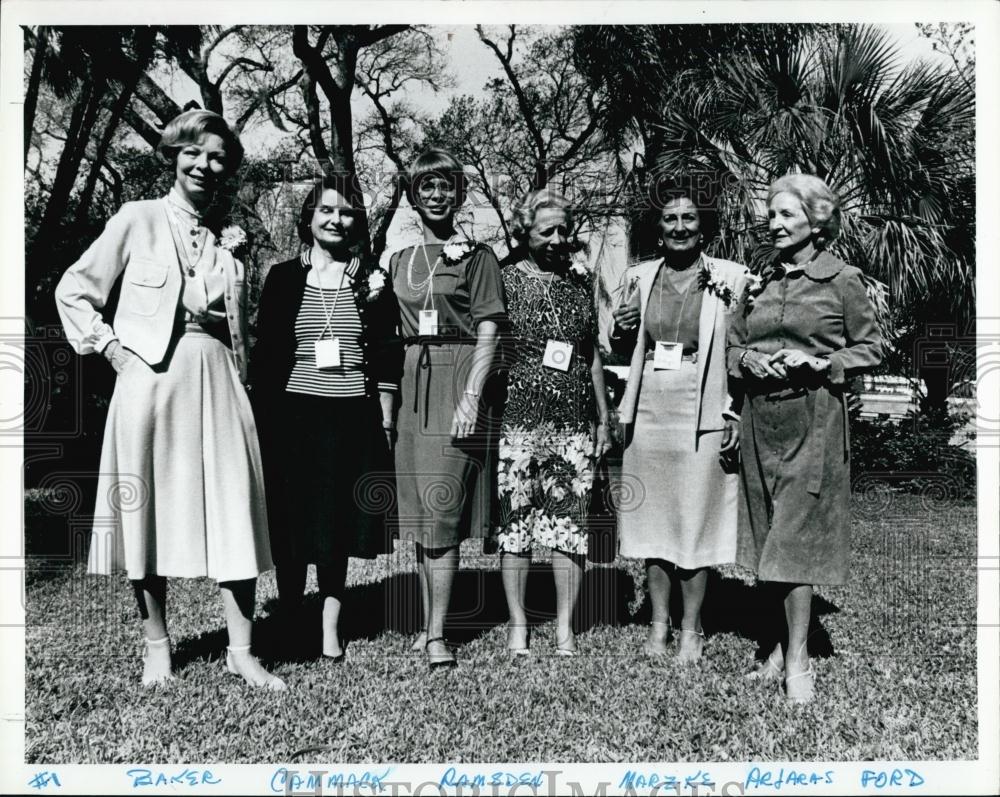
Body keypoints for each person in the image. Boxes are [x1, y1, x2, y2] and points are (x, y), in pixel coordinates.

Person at [54, 109, 283, 689]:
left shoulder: (229, 240)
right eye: (195, 153)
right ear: (174, 155)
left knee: (235, 506)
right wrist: (111, 349)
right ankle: (158, 646)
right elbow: (74, 291)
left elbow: (239, 328)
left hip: (219, 378)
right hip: (149, 382)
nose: (206, 165)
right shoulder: (137, 219)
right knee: (146, 511)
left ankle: (242, 650)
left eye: (218, 158)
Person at [726, 173, 883, 703]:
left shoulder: (843, 280)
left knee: (793, 539)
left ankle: (797, 660)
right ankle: (775, 648)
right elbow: (730, 348)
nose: (774, 224)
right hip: (757, 421)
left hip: (814, 421)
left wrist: (821, 362)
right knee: (771, 537)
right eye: (771, 215)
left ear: (816, 222)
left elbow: (871, 348)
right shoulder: (759, 284)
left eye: (786, 215)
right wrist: (748, 360)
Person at [249, 174, 401, 663]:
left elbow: (384, 352)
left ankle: (330, 629)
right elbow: (268, 352)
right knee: (292, 527)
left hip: (349, 416)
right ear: (309, 219)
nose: (337, 220)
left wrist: (385, 417)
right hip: (292, 417)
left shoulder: (372, 278)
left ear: (358, 222)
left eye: (347, 212)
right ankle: (292, 616)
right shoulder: (283, 276)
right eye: (326, 211)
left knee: (334, 528)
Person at [610, 176, 747, 663]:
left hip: (703, 401)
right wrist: (620, 329)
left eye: (689, 218)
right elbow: (621, 345)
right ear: (658, 227)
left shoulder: (732, 278)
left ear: (703, 227)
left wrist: (734, 411)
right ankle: (657, 624)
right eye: (670, 218)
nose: (679, 226)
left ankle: (692, 630)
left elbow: (740, 351)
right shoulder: (639, 276)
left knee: (695, 519)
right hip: (650, 407)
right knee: (654, 523)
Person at [387, 149, 507, 669]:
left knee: (442, 508)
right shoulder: (399, 259)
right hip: (415, 377)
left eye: (446, 187)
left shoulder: (478, 255)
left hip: (457, 377)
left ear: (459, 195)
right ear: (413, 196)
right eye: (426, 187)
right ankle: (426, 623)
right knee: (419, 513)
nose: (436, 195)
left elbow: (489, 327)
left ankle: (439, 633)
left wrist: (472, 393)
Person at [495, 190, 613, 656]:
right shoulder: (504, 280)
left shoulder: (581, 281)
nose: (559, 239)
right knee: (516, 525)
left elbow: (592, 357)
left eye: (564, 230)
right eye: (547, 231)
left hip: (572, 422)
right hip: (519, 419)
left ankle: (565, 627)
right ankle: (518, 625)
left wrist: (603, 419)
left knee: (569, 526)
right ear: (525, 231)